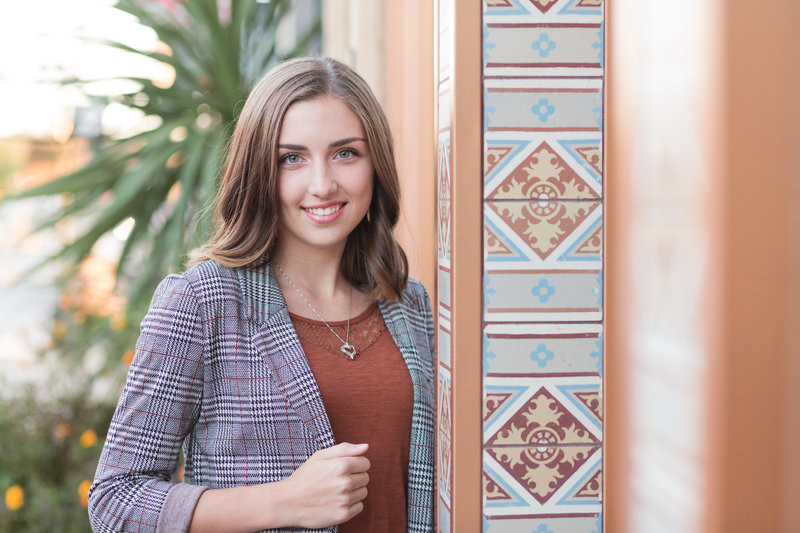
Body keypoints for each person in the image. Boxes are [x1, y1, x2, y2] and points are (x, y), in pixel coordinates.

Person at [88, 57, 435, 533]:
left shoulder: (409, 305)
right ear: (259, 172)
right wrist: (285, 502)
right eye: (291, 158)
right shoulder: (202, 303)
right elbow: (115, 502)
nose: (322, 184)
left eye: (346, 153)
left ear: (375, 163)